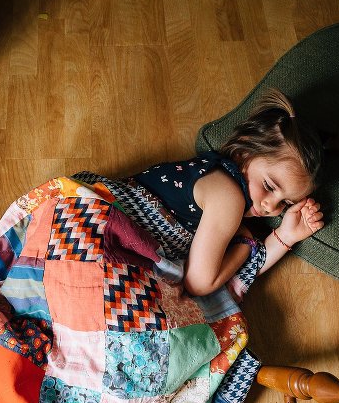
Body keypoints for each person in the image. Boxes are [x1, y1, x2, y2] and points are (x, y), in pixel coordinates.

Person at [134, 88, 325, 297]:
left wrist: (286, 235)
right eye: (269, 187)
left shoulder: (217, 172)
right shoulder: (228, 197)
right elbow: (198, 284)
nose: (271, 207)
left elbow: (226, 270)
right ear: (244, 153)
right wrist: (245, 244)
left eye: (285, 203)